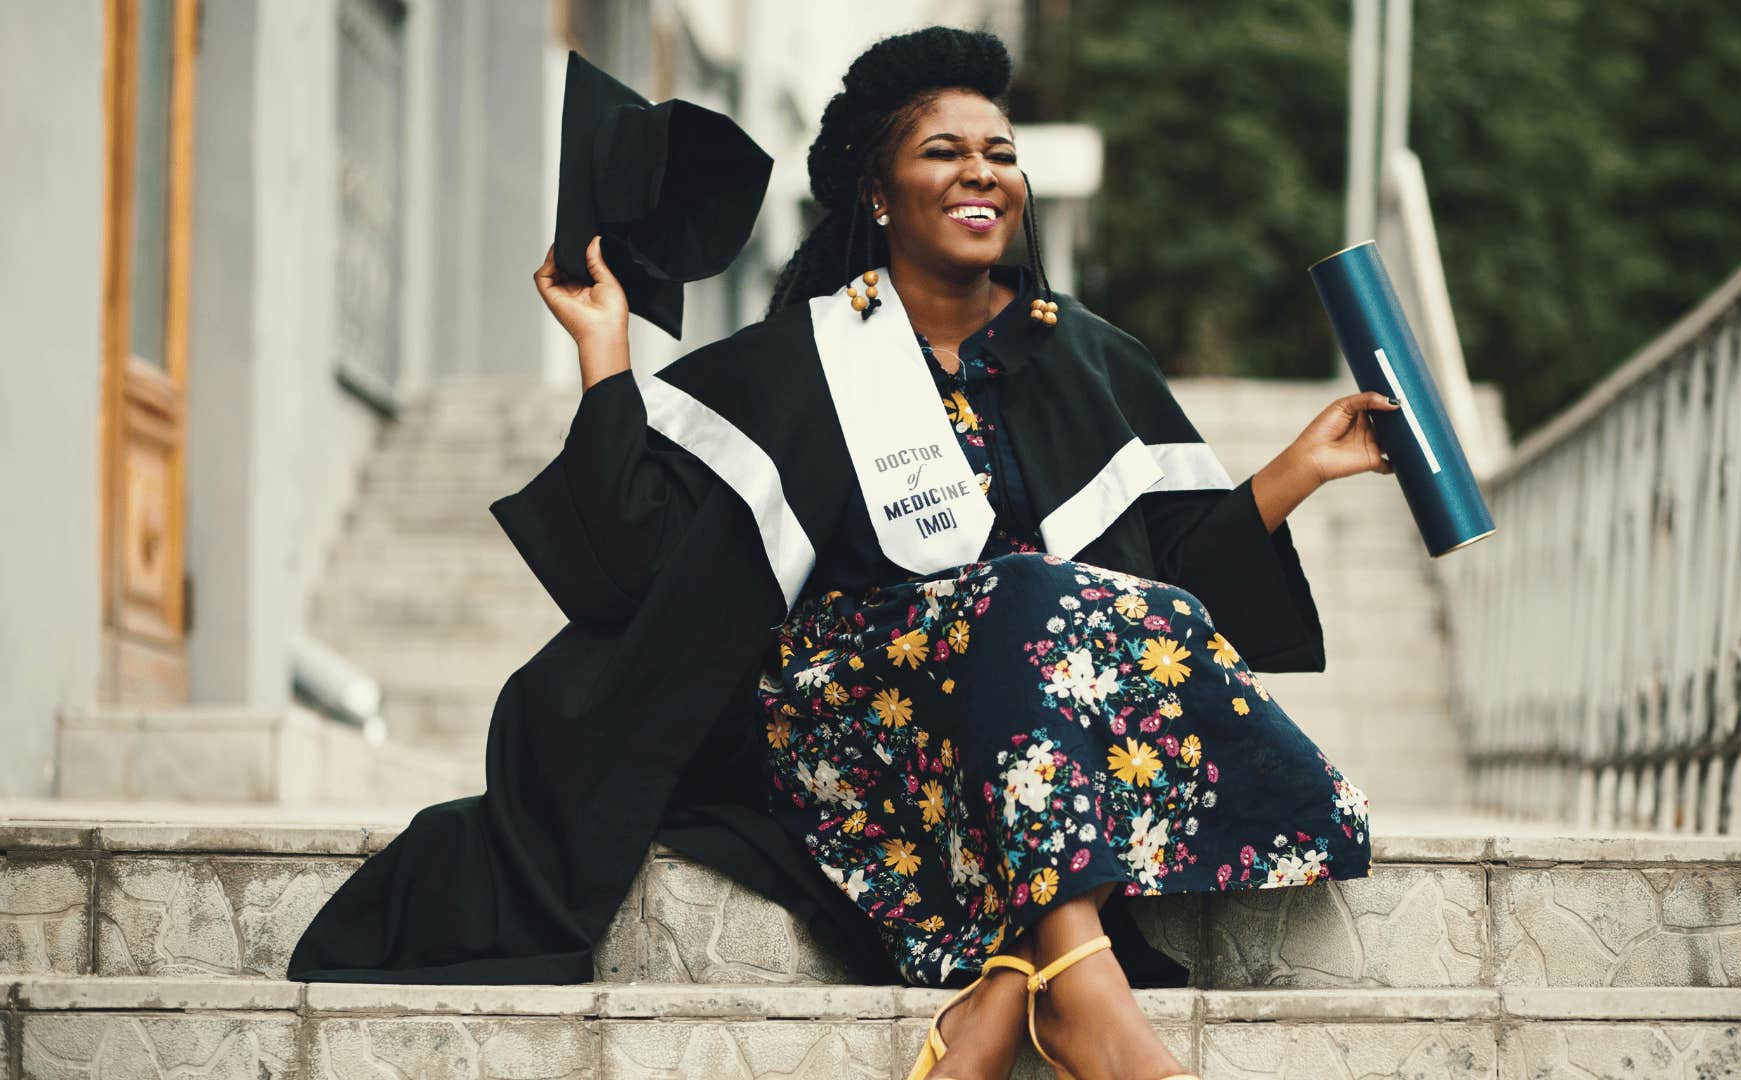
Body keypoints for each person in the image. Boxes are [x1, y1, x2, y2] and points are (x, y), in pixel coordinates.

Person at [531, 26, 1392, 1080]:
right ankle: (1077, 995)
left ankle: (1016, 990)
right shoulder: (801, 364)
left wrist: (1295, 471)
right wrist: (604, 347)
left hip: (1031, 721)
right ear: (878, 188)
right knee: (1030, 600)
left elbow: (1173, 596)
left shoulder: (1089, 356)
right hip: (860, 727)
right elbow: (635, 558)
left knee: (1104, 618)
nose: (984, 170)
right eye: (944, 149)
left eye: (1002, 150)